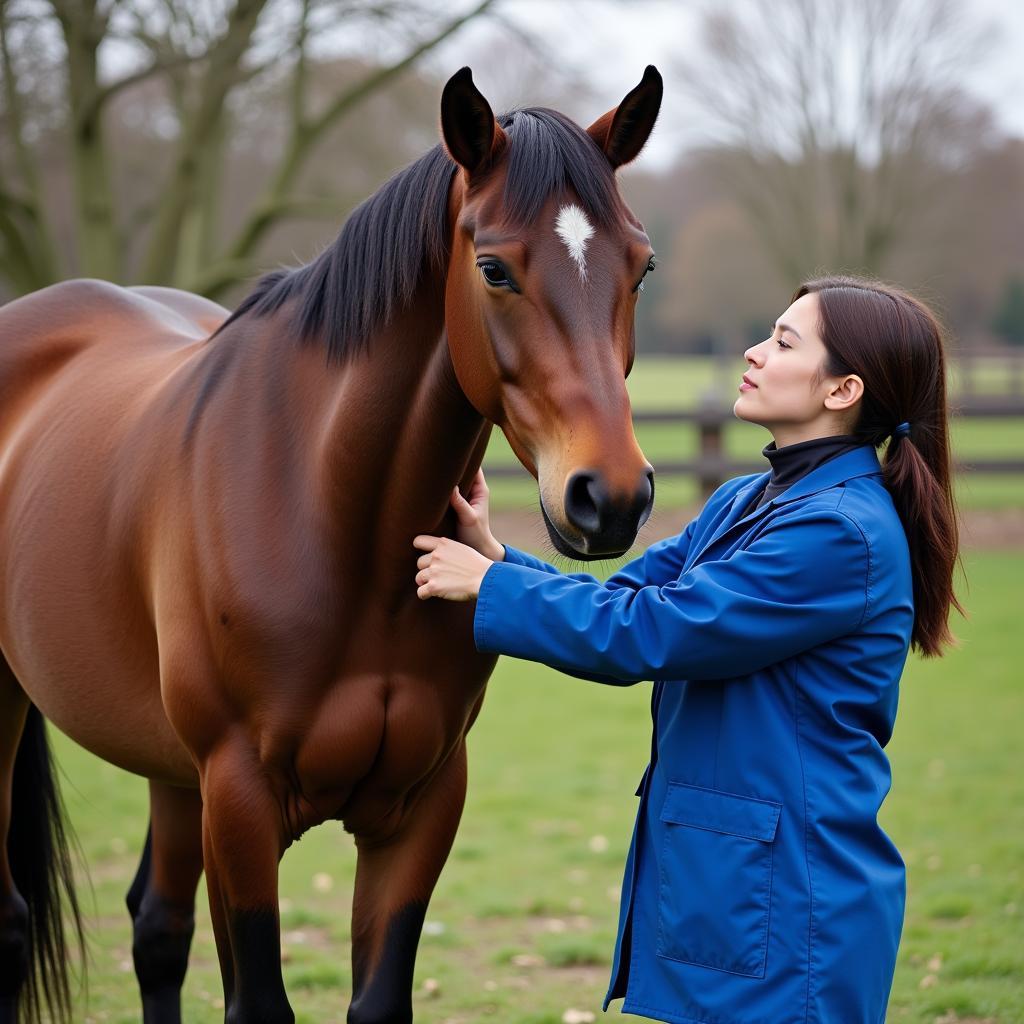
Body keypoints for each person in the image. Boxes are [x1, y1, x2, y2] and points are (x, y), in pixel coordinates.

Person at [412, 275, 962, 1024]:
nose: (755, 351)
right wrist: (497, 560)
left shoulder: (839, 532)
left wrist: (492, 590)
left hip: (793, 899)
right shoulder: (748, 499)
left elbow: (654, 633)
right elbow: (626, 600)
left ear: (842, 390)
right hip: (731, 878)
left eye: (783, 342)